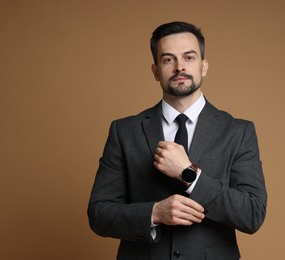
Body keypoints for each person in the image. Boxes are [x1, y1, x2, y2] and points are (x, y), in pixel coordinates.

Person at [88, 21, 267, 260]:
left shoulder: (238, 131)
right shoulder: (124, 131)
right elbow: (99, 214)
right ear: (155, 71)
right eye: (168, 59)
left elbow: (252, 214)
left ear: (204, 66)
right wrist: (154, 213)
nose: (179, 67)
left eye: (189, 58)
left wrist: (188, 173)